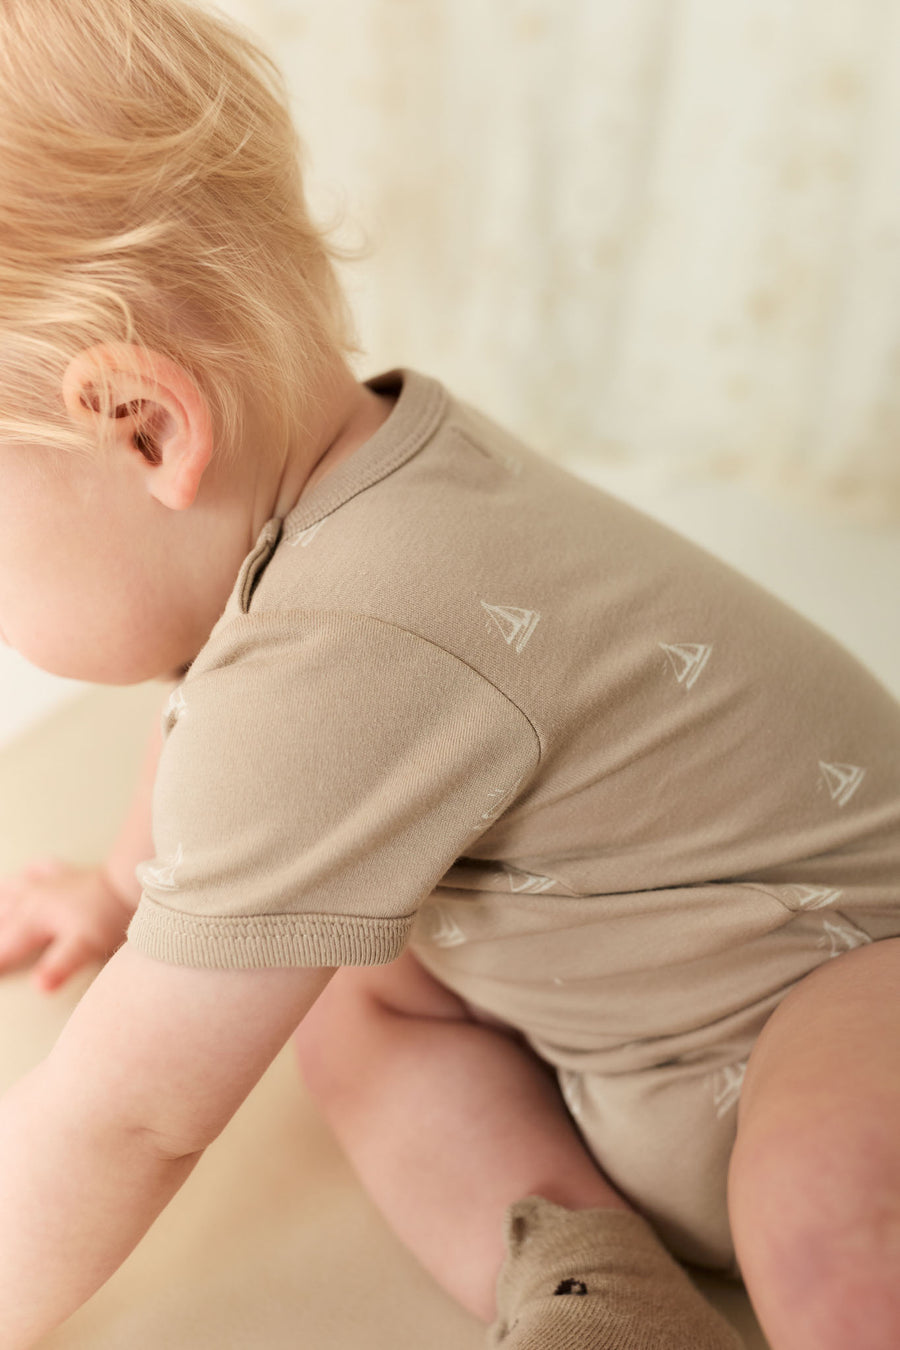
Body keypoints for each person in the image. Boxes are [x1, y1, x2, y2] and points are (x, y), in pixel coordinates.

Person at [0, 2, 898, 1348]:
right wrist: (128, 887)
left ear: (142, 428)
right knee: (354, 1003)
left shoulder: (363, 630)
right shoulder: (330, 491)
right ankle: (592, 1281)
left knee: (825, 1206)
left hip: (834, 972)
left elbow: (125, 1116)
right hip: (615, 1033)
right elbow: (208, 732)